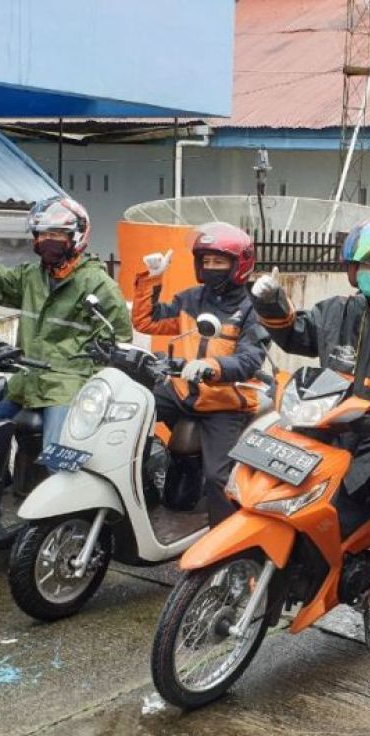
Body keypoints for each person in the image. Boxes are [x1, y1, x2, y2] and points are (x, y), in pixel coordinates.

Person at [250, 220, 370, 609]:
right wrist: (271, 301)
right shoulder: (338, 310)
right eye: (361, 267)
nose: (367, 275)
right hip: (331, 424)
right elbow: (296, 334)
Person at [0, 196, 132, 448]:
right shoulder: (31, 277)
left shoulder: (98, 285)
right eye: (42, 234)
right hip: (25, 382)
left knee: (55, 456)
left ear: (76, 237)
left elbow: (117, 347)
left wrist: (90, 391)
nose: (47, 241)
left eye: (57, 234)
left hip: (66, 386)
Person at [131, 222, 270, 524]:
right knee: (129, 415)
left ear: (239, 264)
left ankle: (225, 542)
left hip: (224, 401)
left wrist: (212, 367)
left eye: (219, 262)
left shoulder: (251, 309)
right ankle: (142, 494)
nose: (211, 268)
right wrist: (151, 280)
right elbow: (148, 322)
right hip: (182, 391)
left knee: (218, 476)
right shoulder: (191, 298)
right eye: (205, 261)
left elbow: (250, 359)